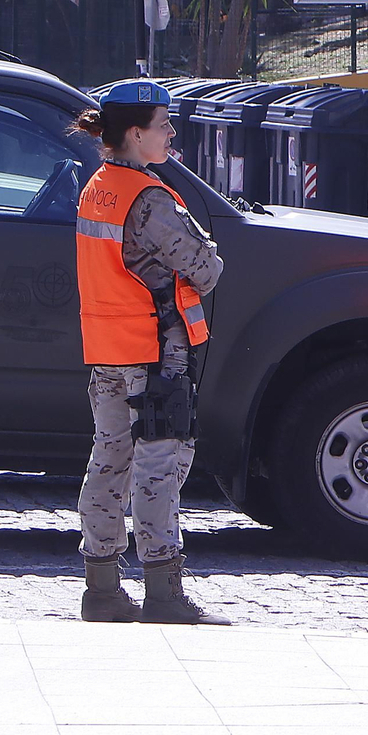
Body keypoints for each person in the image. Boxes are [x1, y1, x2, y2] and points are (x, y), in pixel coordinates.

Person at [72, 80, 228, 625]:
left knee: (109, 460)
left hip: (108, 350)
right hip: (155, 354)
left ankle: (102, 588)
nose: (170, 132)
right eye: (164, 124)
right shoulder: (150, 198)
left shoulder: (99, 186)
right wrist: (206, 249)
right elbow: (206, 271)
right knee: (159, 465)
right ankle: (163, 592)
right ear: (136, 134)